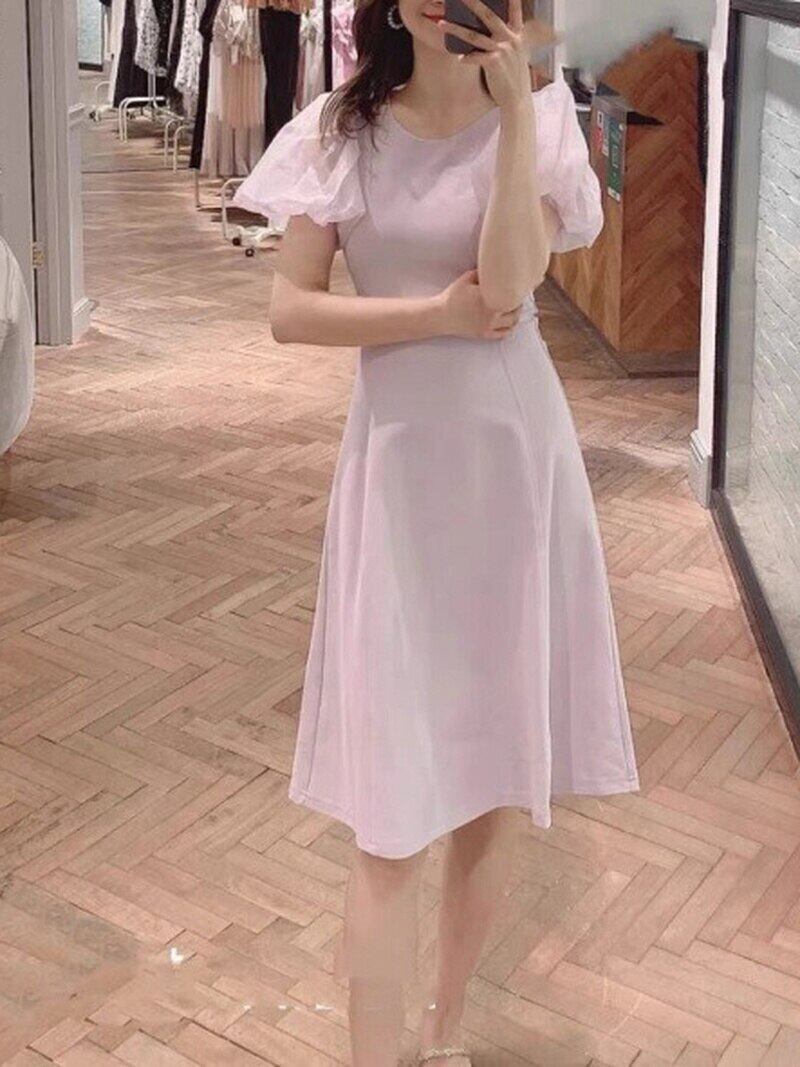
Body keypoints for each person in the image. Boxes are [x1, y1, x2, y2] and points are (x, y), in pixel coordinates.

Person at [232, 0, 640, 1062]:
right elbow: (289, 310)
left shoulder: (539, 123)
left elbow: (508, 284)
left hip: (511, 466)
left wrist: (514, 116)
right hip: (402, 471)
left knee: (491, 779)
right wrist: (429, 317)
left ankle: (445, 1032)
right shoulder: (342, 129)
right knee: (388, 810)